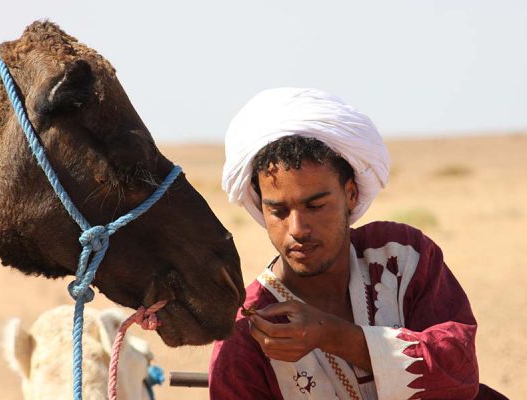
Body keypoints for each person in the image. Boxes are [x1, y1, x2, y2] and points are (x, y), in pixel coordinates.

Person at [209, 88, 507, 399]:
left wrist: (332, 335)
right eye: (279, 211)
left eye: (315, 206)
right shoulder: (248, 333)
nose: (297, 229)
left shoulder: (400, 257)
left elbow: (458, 370)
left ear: (350, 195)